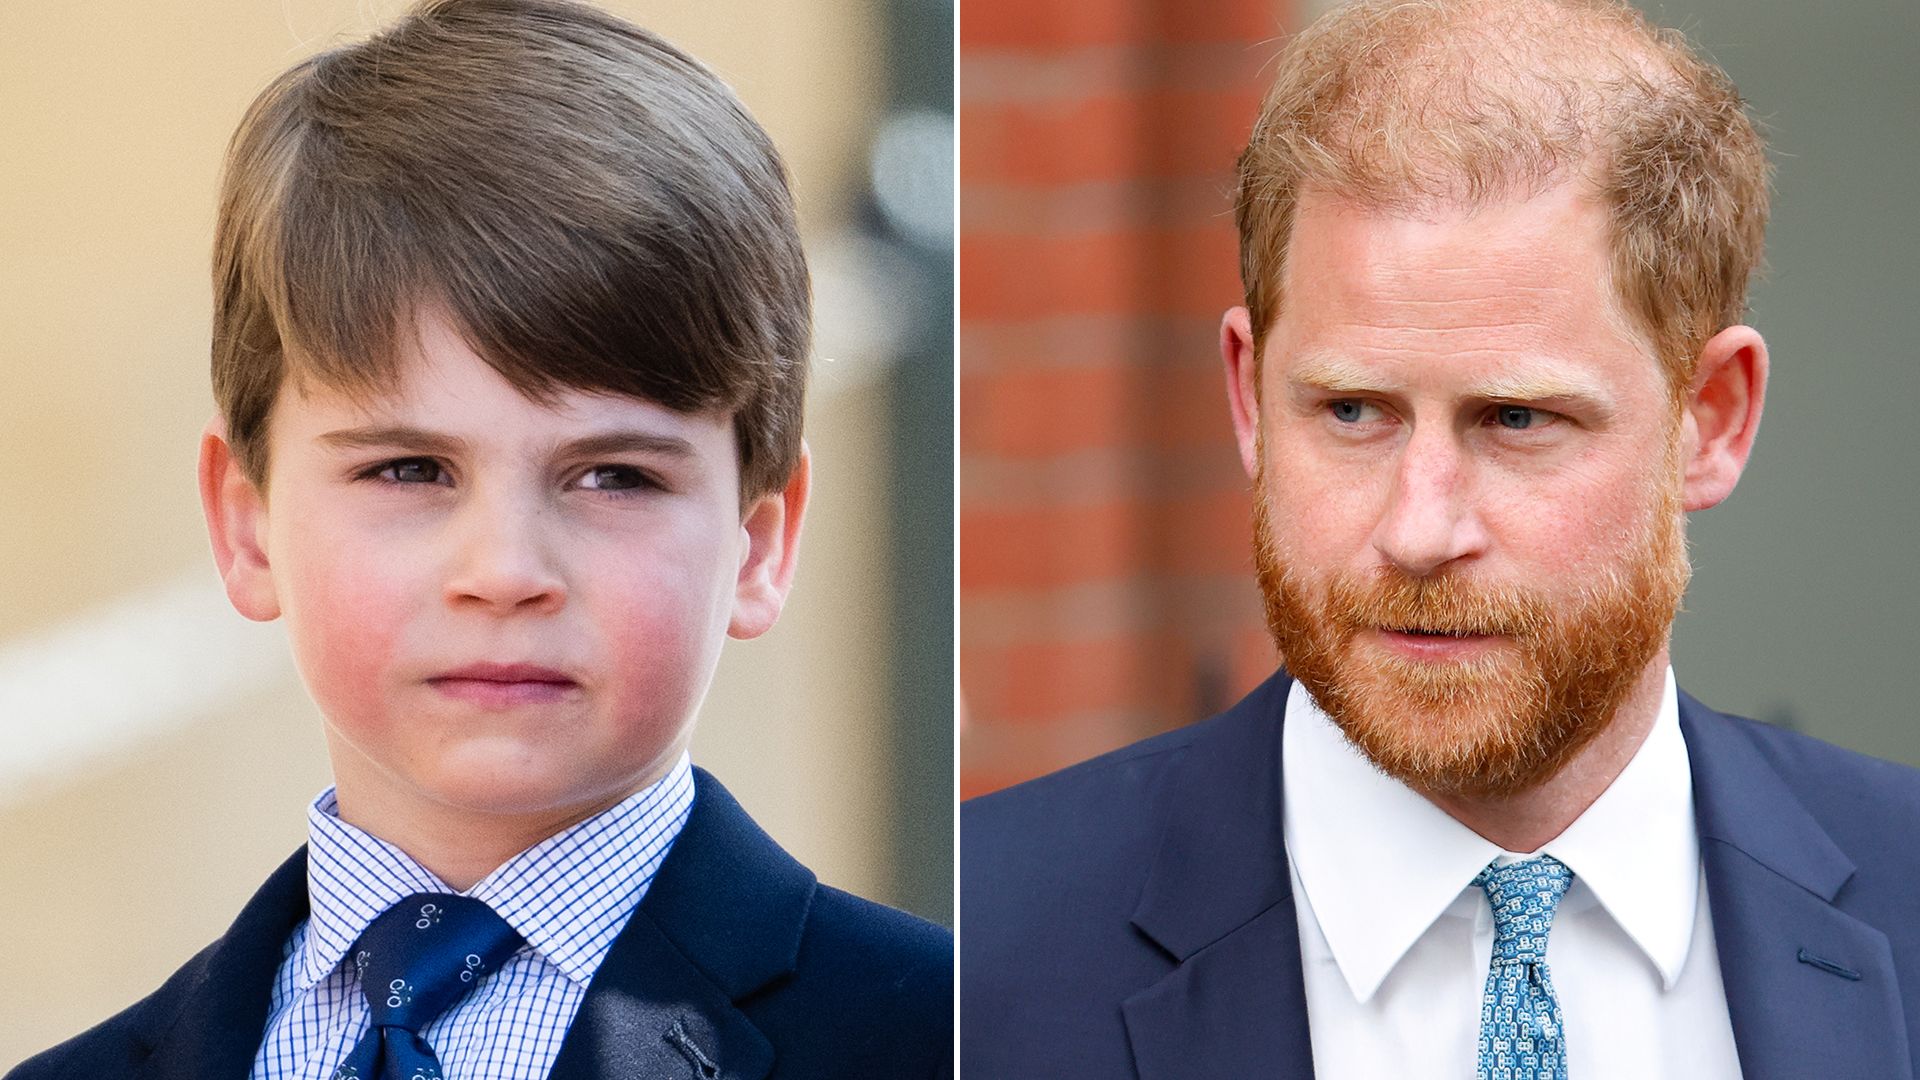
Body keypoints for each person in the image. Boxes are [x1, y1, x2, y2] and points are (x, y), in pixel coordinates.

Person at [961, 0, 1920, 1076]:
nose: (1419, 530)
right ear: (1247, 397)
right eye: (1352, 412)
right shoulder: (974, 951)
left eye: (1516, 420)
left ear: (1712, 420)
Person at [8, 1, 950, 1077]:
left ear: (761, 544)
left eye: (614, 477)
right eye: (408, 469)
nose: (504, 572)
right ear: (245, 523)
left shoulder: (952, 1034)